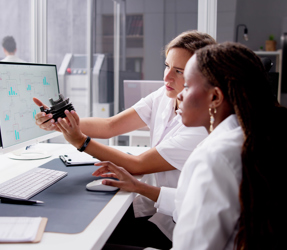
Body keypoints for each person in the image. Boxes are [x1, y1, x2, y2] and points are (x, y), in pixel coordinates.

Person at [92, 42, 286, 249]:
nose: (180, 95)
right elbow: (200, 202)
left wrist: (81, 141)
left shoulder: (215, 157)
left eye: (187, 86)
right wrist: (139, 187)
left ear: (215, 97)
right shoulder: (248, 137)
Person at [34, 31, 216, 248]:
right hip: (154, 208)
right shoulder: (165, 94)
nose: (167, 77)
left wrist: (80, 141)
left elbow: (137, 165)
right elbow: (111, 126)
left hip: (174, 227)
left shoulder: (201, 126)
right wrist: (60, 122)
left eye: (179, 71)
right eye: (167, 66)